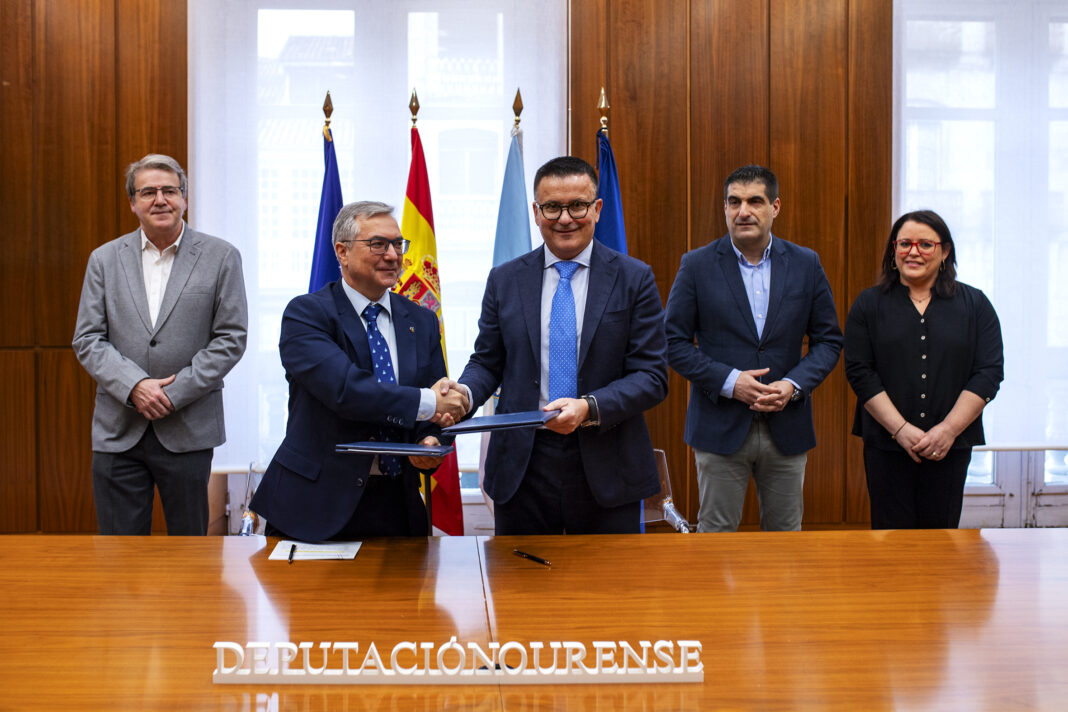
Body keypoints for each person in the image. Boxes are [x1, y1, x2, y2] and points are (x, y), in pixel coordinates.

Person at [454, 156, 668, 535]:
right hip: (523, 465)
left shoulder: (634, 278)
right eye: (552, 207)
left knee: (605, 574)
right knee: (519, 572)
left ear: (597, 209)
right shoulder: (505, 280)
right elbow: (487, 362)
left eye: (578, 206)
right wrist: (463, 395)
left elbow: (651, 376)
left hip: (607, 462)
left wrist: (588, 407)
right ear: (536, 213)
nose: (565, 218)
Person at [250, 201, 468, 542]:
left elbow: (435, 404)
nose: (393, 255)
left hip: (398, 504)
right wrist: (430, 402)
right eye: (378, 244)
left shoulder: (421, 320)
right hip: (315, 504)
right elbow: (346, 390)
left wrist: (430, 441)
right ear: (342, 252)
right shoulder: (306, 315)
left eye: (398, 244)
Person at [73, 153, 248, 535]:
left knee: (189, 551)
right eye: (148, 192)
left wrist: (172, 393)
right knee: (119, 554)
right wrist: (135, 386)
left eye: (169, 190)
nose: (160, 200)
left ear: (184, 197)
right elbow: (87, 339)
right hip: (118, 429)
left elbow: (231, 338)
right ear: (132, 202)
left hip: (188, 425)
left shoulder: (221, 257)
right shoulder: (104, 259)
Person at [664, 165, 842, 532]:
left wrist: (792, 385)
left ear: (775, 207)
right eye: (734, 202)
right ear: (725, 208)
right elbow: (671, 342)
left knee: (785, 542)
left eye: (755, 201)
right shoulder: (696, 265)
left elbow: (828, 341)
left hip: (786, 426)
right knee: (716, 538)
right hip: (719, 427)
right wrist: (730, 382)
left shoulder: (806, 264)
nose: (743, 211)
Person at [844, 210, 1003, 529]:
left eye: (925, 244)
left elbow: (988, 372)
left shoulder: (975, 305)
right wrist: (901, 430)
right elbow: (860, 372)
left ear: (945, 252)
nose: (913, 251)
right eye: (904, 243)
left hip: (951, 446)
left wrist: (947, 431)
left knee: (940, 538)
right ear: (893, 250)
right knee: (890, 539)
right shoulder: (868, 304)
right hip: (887, 445)